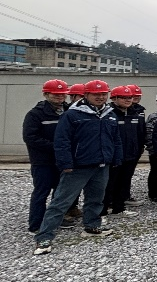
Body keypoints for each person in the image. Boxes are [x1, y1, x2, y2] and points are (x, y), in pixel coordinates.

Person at [32, 80, 121, 256]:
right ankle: (44, 236)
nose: (100, 97)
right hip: (78, 166)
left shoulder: (110, 114)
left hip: (101, 165)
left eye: (103, 94)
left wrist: (116, 158)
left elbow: (115, 139)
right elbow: (62, 140)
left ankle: (92, 226)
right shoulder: (72, 115)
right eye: (96, 94)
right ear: (86, 95)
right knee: (61, 202)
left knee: (96, 199)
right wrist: (65, 163)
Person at [23, 79, 69, 234]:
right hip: (43, 161)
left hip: (62, 160)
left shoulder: (68, 111)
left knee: (60, 193)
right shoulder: (35, 114)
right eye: (55, 94)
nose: (59, 97)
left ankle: (56, 220)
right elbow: (30, 137)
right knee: (41, 192)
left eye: (62, 94)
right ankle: (36, 224)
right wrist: (56, 147)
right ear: (46, 94)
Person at [102, 85, 145, 218]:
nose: (127, 100)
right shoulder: (108, 114)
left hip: (130, 155)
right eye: (123, 97)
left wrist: (138, 150)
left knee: (124, 182)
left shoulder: (135, 114)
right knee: (109, 184)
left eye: (129, 97)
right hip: (114, 157)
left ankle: (119, 208)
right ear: (114, 99)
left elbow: (140, 134)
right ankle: (102, 211)